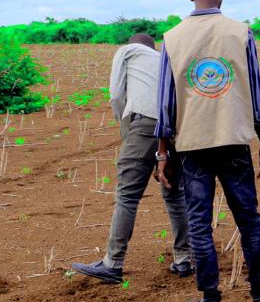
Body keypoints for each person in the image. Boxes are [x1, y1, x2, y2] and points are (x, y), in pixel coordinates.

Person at [155, 0, 260, 302]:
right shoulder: (241, 33)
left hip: (192, 145)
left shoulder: (171, 39)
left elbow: (165, 104)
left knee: (199, 223)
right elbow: (255, 93)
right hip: (233, 139)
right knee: (249, 220)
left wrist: (161, 153)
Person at [71, 34, 192, 283]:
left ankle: (112, 263)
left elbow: (116, 95)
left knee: (127, 195)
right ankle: (184, 258)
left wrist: (128, 132)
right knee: (174, 193)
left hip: (144, 124)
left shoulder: (127, 51)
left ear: (131, 43)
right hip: (176, 128)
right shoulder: (163, 59)